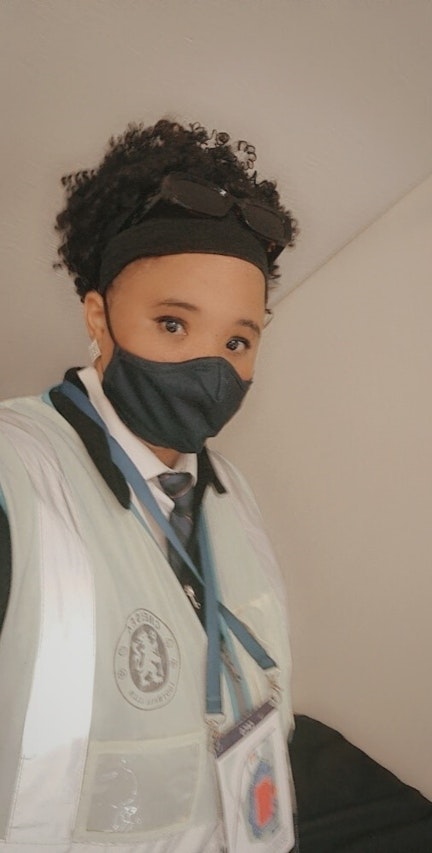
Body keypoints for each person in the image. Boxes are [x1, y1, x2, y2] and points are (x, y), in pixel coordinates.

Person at [0, 119, 298, 852]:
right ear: (98, 316)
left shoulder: (232, 492)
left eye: (238, 340)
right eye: (172, 324)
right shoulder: (16, 477)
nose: (211, 368)